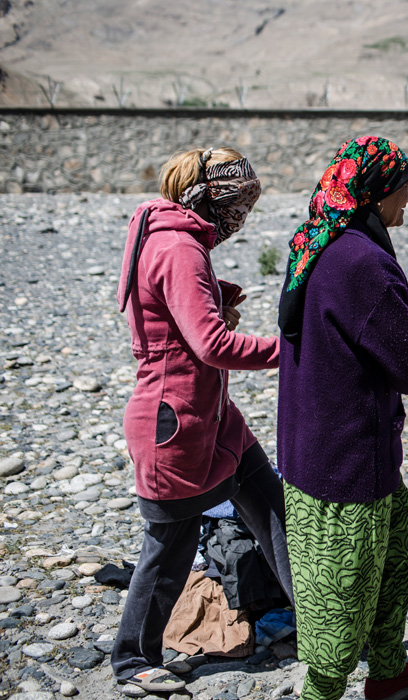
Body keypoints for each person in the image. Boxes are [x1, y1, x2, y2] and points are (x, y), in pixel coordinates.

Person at [113, 147, 294, 693]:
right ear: (207, 197)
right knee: (167, 551)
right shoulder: (179, 247)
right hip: (175, 424)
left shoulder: (171, 235)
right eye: (238, 202)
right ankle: (132, 661)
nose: (243, 216)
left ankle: (322, 620)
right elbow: (212, 345)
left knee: (275, 513)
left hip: (215, 414)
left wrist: (216, 299)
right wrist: (295, 351)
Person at [276, 136, 408, 700]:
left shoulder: (317, 240)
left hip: (315, 444)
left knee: (401, 546)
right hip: (345, 462)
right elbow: (407, 356)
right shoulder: (361, 263)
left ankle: (388, 672)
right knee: (339, 597)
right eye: (405, 189)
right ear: (374, 194)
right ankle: (320, 692)